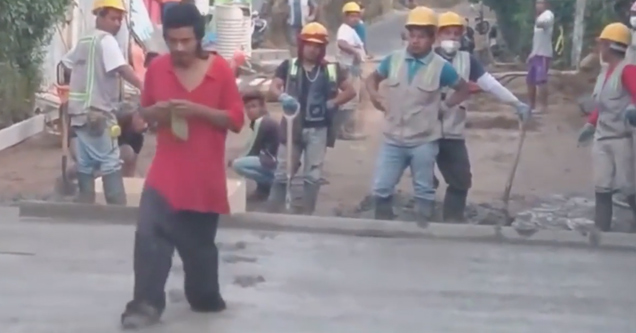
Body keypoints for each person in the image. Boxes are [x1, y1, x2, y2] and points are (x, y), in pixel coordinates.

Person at [120, 3, 244, 329]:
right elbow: (143, 116)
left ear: (198, 38)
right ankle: (144, 304)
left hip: (204, 177)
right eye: (172, 41)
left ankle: (204, 294)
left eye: (185, 41)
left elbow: (236, 120)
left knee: (198, 251)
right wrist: (154, 113)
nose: (179, 48)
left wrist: (196, 110)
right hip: (166, 171)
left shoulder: (221, 71)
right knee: (149, 234)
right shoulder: (158, 69)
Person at [365, 6, 470, 226]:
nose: (415, 41)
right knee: (382, 187)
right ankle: (381, 229)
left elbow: (463, 88)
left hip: (424, 140)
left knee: (423, 189)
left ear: (432, 38)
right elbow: (372, 79)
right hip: (393, 138)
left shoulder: (441, 67)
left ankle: (423, 229)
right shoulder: (393, 60)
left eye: (421, 36)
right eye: (412, 35)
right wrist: (375, 96)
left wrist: (445, 105)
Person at [433, 11, 532, 222]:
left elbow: (490, 84)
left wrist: (516, 103)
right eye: (447, 33)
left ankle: (453, 221)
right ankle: (419, 221)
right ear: (438, 36)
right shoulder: (427, 59)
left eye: (456, 34)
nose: (451, 38)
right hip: (424, 131)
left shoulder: (468, 61)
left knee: (461, 180)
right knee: (424, 180)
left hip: (452, 132)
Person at [268, 22, 356, 215]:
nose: (313, 50)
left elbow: (350, 90)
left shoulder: (331, 69)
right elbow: (274, 87)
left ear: (323, 48)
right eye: (309, 45)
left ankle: (307, 214)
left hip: (318, 129)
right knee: (283, 172)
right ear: (302, 45)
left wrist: (333, 102)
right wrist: (282, 96)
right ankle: (272, 214)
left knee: (313, 175)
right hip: (292, 126)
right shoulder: (288, 66)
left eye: (318, 46)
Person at [61, 0, 143, 205]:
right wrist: (145, 87)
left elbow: (65, 64)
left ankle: (86, 203)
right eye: (113, 18)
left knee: (86, 161)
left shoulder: (84, 41)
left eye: (120, 19)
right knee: (110, 161)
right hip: (98, 112)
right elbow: (123, 69)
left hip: (79, 113)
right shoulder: (106, 41)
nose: (117, 23)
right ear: (99, 16)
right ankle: (117, 208)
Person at [576, 22, 636, 233]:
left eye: (602, 44)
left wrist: (633, 108)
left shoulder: (627, 70)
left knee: (628, 186)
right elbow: (603, 104)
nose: (599, 49)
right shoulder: (604, 74)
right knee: (602, 185)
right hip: (602, 136)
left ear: (611, 46)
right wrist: (590, 124)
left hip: (621, 137)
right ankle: (601, 229)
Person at [229, 90, 280, 201]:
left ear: (262, 107)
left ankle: (272, 183)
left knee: (238, 165)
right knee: (250, 161)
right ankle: (264, 187)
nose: (250, 111)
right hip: (270, 159)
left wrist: (235, 160)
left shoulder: (262, 122)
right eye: (247, 108)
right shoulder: (261, 120)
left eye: (254, 106)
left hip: (273, 161)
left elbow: (252, 148)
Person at [336, 2, 366, 140]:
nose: (355, 19)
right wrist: (355, 53)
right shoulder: (345, 29)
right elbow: (341, 43)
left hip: (353, 67)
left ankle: (345, 130)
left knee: (353, 99)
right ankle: (346, 131)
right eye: (352, 16)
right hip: (348, 68)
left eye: (357, 16)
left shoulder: (351, 30)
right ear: (345, 17)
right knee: (350, 99)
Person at [526, 0, 554, 114]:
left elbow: (544, 23)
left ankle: (543, 106)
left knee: (541, 80)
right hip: (536, 53)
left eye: (541, 3)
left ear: (546, 4)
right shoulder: (539, 16)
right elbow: (537, 40)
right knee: (530, 81)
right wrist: (532, 54)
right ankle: (531, 106)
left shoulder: (548, 14)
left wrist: (538, 20)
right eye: (537, 3)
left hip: (543, 54)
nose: (539, 5)